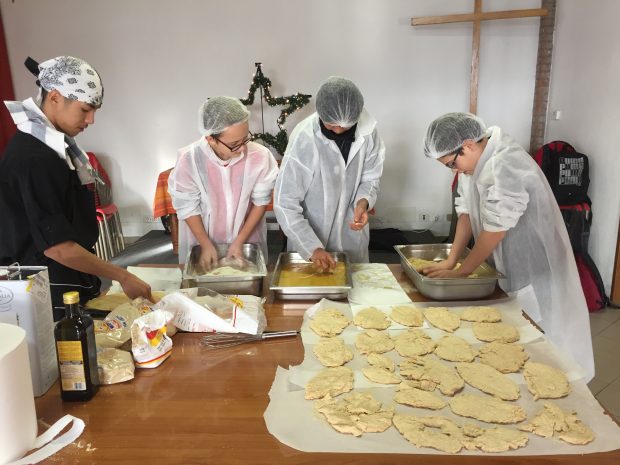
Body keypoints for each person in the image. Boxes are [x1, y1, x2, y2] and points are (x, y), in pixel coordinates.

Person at [422, 112, 595, 381]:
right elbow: (465, 214)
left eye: (451, 163)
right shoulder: (473, 164)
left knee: (545, 340)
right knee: (516, 339)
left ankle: (562, 389)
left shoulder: (504, 164)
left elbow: (494, 230)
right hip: (507, 261)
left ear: (467, 145)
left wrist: (463, 272)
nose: (454, 171)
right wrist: (451, 259)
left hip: (537, 264)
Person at [0, 56, 152, 320]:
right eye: (85, 109)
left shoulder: (55, 147)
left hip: (62, 273)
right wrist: (122, 275)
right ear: (55, 97)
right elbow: (57, 247)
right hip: (43, 285)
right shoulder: (34, 157)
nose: (91, 119)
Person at [273, 76, 385, 270]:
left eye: (346, 126)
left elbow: (371, 178)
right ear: (320, 113)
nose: (339, 130)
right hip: (310, 236)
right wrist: (312, 248)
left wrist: (363, 202)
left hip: (352, 238)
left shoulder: (368, 132)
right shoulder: (304, 138)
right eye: (331, 125)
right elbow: (285, 202)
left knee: (355, 291)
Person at [168, 96, 278, 269]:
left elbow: (260, 202)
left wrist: (239, 242)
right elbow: (187, 206)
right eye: (234, 144)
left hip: (247, 235)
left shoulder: (260, 157)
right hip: (202, 237)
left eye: (245, 139)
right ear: (210, 139)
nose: (242, 149)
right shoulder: (190, 160)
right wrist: (205, 244)